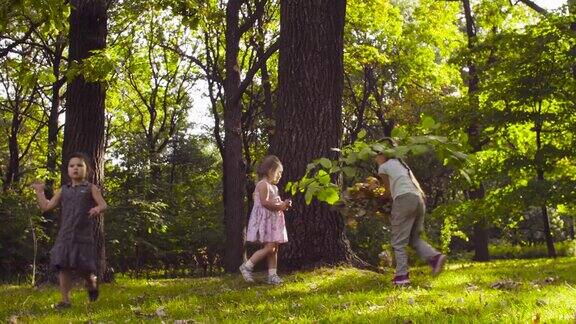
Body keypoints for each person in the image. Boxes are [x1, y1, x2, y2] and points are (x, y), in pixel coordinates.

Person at [31, 152, 107, 308]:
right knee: (62, 265)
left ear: (87, 170)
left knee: (83, 267)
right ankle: (65, 300)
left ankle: (91, 282)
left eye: (80, 165)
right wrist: (39, 192)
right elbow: (46, 206)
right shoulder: (63, 190)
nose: (76, 168)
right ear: (68, 170)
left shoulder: (91, 188)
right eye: (72, 166)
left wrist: (97, 209)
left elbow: (104, 204)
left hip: (83, 236)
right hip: (65, 235)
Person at [374, 152, 446, 286]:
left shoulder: (384, 167)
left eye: (376, 154)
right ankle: (435, 257)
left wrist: (374, 197)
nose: (375, 158)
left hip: (404, 200)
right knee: (414, 239)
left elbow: (388, 191)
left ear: (383, 154)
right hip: (418, 200)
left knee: (398, 242)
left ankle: (402, 278)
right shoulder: (402, 165)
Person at [239, 155, 291, 285]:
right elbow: (265, 203)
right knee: (269, 248)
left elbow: (274, 203)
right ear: (270, 170)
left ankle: (272, 275)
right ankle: (247, 266)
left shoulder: (274, 187)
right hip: (266, 222)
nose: (280, 175)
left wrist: (284, 205)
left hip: (273, 222)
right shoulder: (263, 185)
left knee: (274, 248)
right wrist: (280, 206)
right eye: (278, 172)